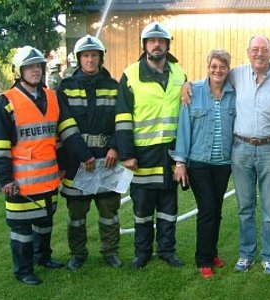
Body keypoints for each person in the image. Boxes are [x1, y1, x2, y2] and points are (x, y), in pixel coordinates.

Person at [182, 35, 270, 274]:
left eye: (264, 49)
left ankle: (269, 256)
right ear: (248, 52)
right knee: (245, 207)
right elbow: (212, 78)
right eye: (255, 49)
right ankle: (246, 254)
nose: (259, 53)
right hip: (241, 149)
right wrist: (186, 85)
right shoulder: (236, 75)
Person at [0, 46, 88, 285]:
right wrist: (5, 179)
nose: (35, 70)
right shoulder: (7, 102)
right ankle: (23, 270)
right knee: (21, 230)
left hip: (48, 179)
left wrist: (83, 157)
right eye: (29, 66)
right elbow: (0, 146)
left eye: (38, 66)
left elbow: (68, 134)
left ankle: (43, 257)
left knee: (45, 223)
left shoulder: (53, 97)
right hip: (20, 183)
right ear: (18, 71)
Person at [115, 21, 186, 269]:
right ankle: (142, 253)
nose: (157, 45)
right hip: (142, 156)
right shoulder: (131, 74)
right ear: (144, 45)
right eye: (151, 41)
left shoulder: (179, 74)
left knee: (169, 207)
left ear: (168, 44)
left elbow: (186, 114)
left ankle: (167, 251)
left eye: (161, 40)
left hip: (170, 154)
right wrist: (126, 154)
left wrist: (183, 156)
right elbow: (123, 117)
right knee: (142, 209)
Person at [57, 34, 122, 271]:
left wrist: (115, 146)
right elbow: (63, 125)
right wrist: (84, 155)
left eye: (94, 55)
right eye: (86, 55)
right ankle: (78, 254)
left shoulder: (114, 87)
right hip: (78, 161)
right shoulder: (65, 87)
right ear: (78, 59)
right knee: (77, 213)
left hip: (108, 160)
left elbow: (122, 120)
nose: (90, 60)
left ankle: (111, 252)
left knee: (109, 212)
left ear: (101, 58)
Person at [171, 49, 236, 279]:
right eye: (214, 66)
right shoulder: (193, 92)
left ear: (228, 69)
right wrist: (180, 162)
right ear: (208, 67)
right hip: (199, 162)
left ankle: (213, 252)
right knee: (207, 209)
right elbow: (184, 129)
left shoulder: (234, 94)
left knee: (216, 210)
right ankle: (203, 259)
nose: (217, 70)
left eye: (222, 67)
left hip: (223, 163)